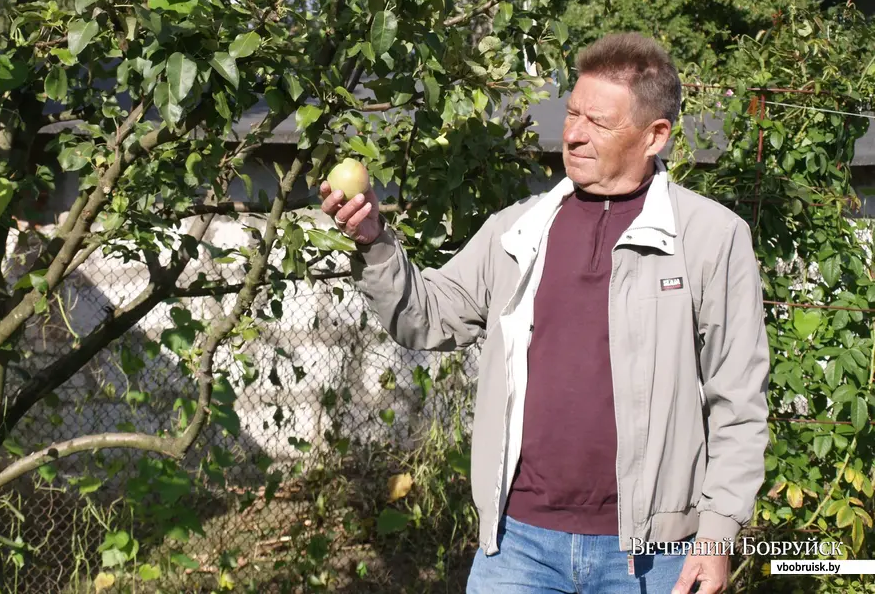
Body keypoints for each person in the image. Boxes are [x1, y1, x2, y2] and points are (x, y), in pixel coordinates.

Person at [319, 33, 769, 594]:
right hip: (517, 545)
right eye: (572, 112)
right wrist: (375, 243)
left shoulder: (710, 238)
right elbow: (426, 317)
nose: (573, 133)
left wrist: (718, 536)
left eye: (597, 122)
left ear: (655, 136)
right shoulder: (518, 230)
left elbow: (738, 402)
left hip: (652, 555)